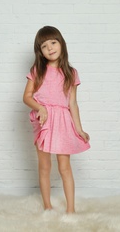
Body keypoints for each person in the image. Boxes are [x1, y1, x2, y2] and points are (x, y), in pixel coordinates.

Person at [23, 26, 90, 214]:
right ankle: (47, 206)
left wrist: (79, 129)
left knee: (64, 167)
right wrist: (40, 108)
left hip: (62, 122)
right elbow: (27, 96)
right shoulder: (38, 71)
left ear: (61, 43)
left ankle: (71, 210)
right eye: (44, 46)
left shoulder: (71, 72)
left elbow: (73, 104)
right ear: (40, 52)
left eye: (53, 42)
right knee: (44, 165)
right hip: (44, 121)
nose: (50, 48)